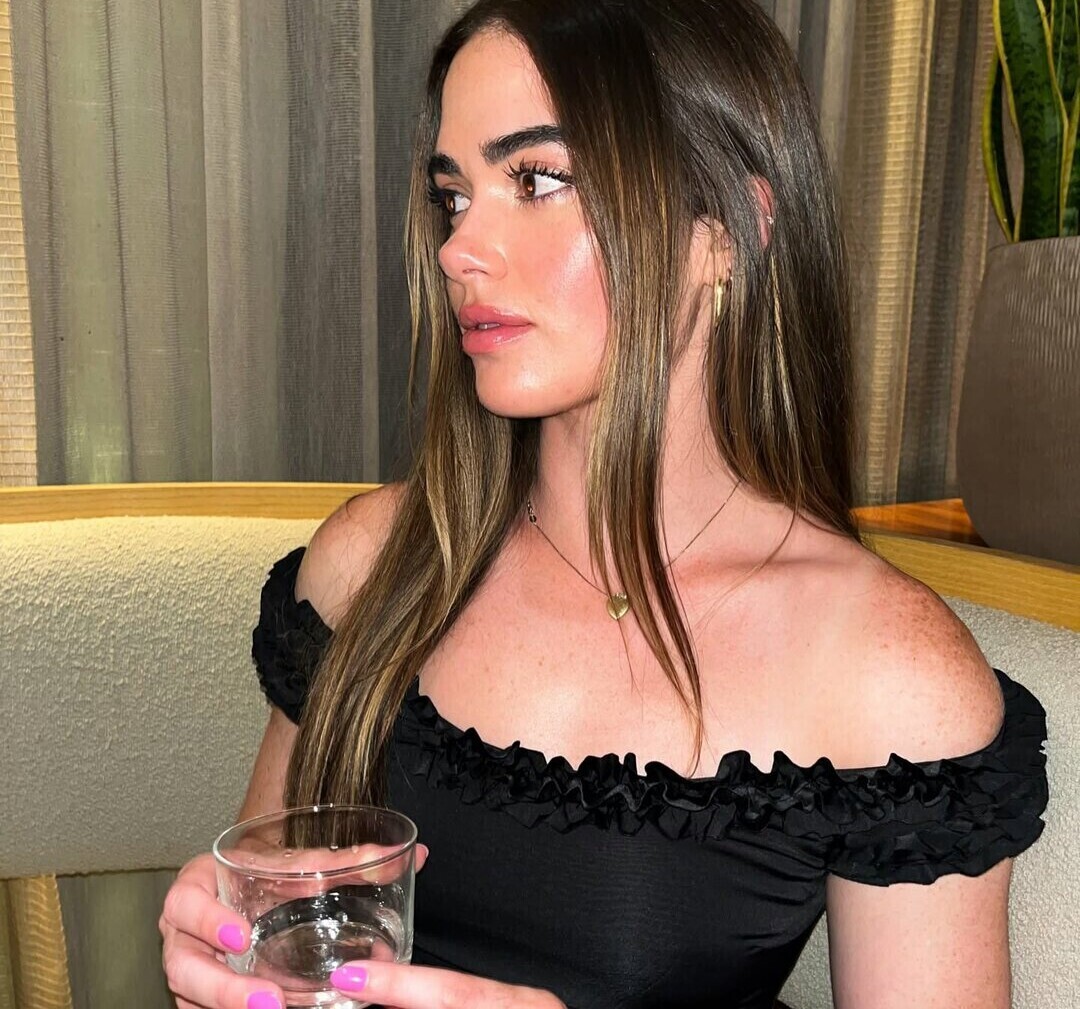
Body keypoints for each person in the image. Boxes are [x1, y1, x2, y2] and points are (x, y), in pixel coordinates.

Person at [159, 1, 1049, 1007]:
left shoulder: (888, 674)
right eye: (454, 195)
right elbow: (282, 926)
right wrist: (224, 964)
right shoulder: (370, 563)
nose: (458, 249)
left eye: (537, 179)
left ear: (729, 231)